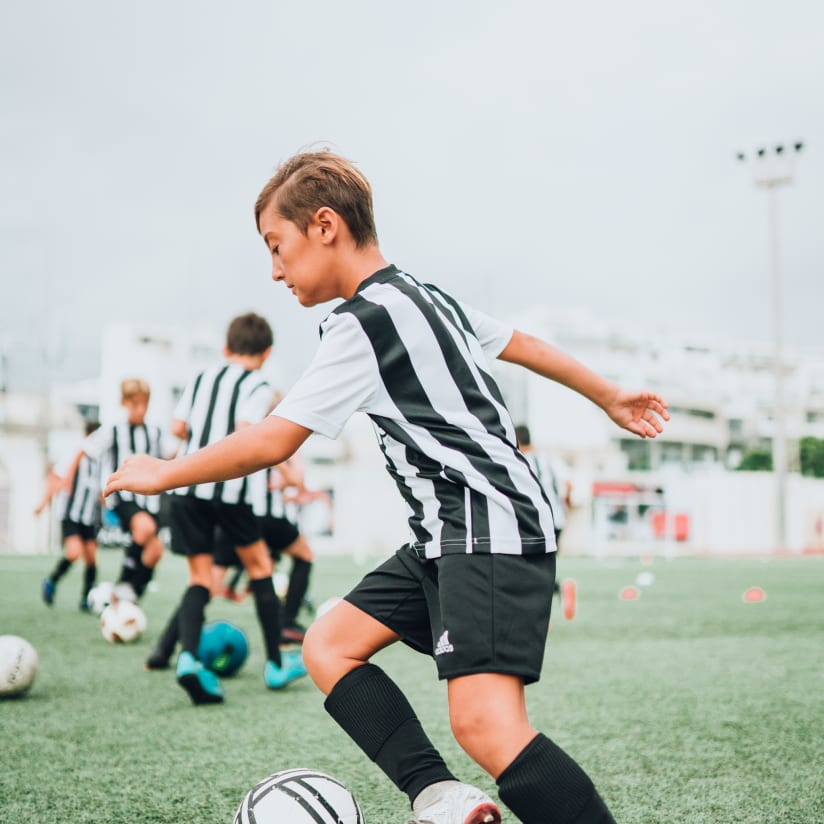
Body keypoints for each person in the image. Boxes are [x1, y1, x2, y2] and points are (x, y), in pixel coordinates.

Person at [104, 151, 669, 823]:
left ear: (324, 226)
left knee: (487, 727)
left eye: (276, 246)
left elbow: (272, 439)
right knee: (328, 643)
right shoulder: (425, 296)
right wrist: (607, 392)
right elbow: (520, 343)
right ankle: (439, 796)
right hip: (447, 529)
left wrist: (165, 471)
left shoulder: (361, 324)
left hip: (485, 521)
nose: (275, 270)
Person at [148, 312, 306, 704]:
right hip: (232, 489)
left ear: (225, 347)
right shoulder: (259, 383)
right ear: (266, 353)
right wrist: (282, 465)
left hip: (188, 485)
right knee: (259, 568)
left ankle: (187, 659)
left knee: (200, 578)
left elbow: (179, 428)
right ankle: (274, 665)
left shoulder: (201, 377)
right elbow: (247, 428)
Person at [65, 379, 166, 600]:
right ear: (125, 403)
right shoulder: (114, 429)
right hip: (125, 494)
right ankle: (123, 583)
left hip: (150, 499)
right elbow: (85, 449)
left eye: (144, 404)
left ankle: (132, 596)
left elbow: (167, 457)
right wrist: (68, 479)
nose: (140, 409)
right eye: (135, 404)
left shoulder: (155, 432)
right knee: (145, 527)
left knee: (155, 551)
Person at [214, 457, 315, 643]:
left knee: (208, 581)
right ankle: (287, 623)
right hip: (269, 518)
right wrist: (287, 475)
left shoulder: (242, 433)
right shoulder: (286, 439)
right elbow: (297, 480)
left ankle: (169, 646)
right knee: (303, 556)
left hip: (235, 513)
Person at [36, 420, 102, 611]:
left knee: (91, 558)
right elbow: (56, 478)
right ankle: (51, 580)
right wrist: (42, 504)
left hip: (88, 517)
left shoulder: (100, 460)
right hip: (71, 514)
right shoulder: (75, 454)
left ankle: (86, 599)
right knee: (74, 553)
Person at [515, 423, 577, 620]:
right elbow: (568, 482)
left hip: (531, 521)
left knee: (526, 568)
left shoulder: (517, 461)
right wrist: (565, 502)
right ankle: (557, 590)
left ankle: (541, 611)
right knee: (541, 566)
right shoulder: (548, 459)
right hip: (555, 520)